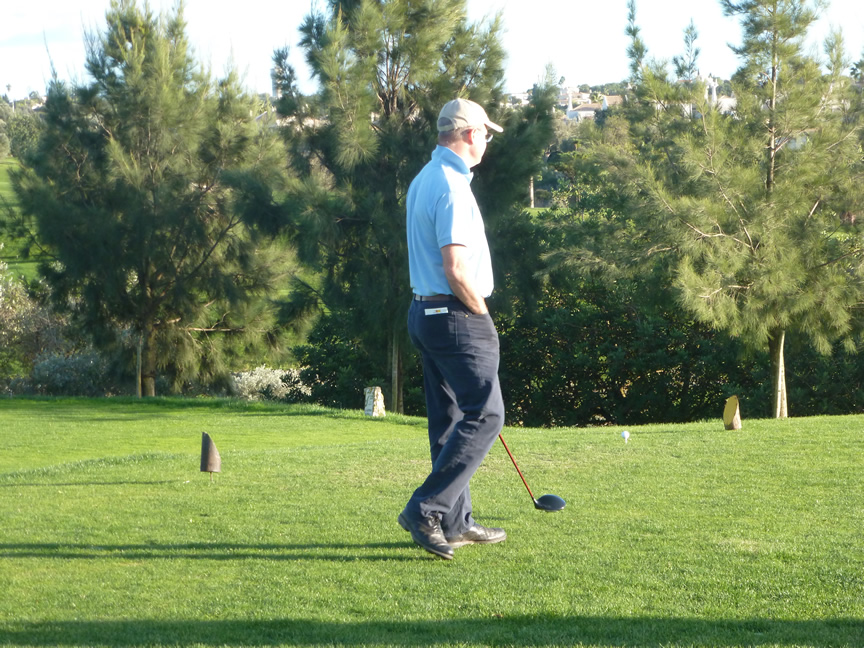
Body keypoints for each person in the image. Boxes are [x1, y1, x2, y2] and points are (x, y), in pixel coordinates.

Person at [398, 98, 507, 560]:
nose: (487, 141)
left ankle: (454, 522)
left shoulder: (426, 177)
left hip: (425, 314)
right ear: (469, 134)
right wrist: (481, 314)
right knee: (487, 414)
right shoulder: (452, 186)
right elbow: (456, 269)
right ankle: (425, 509)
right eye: (485, 133)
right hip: (456, 316)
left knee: (451, 419)